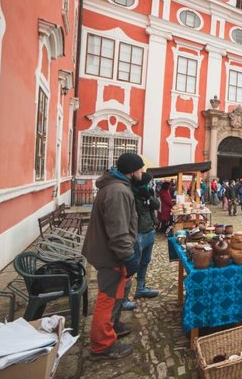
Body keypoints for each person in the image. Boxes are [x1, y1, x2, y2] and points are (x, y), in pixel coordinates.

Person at [82, 153, 144, 360]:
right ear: (132, 170)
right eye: (141, 168)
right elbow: (118, 231)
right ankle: (102, 345)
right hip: (111, 255)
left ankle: (112, 325)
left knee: (117, 293)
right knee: (107, 298)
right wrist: (128, 256)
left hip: (111, 253)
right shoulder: (117, 191)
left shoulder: (118, 187)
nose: (143, 172)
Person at [123, 172, 160, 310]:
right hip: (137, 234)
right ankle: (123, 298)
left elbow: (156, 205)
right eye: (149, 182)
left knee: (145, 261)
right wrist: (141, 198)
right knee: (132, 266)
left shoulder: (147, 192)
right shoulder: (131, 193)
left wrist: (148, 197)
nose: (151, 184)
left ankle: (141, 288)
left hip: (149, 231)